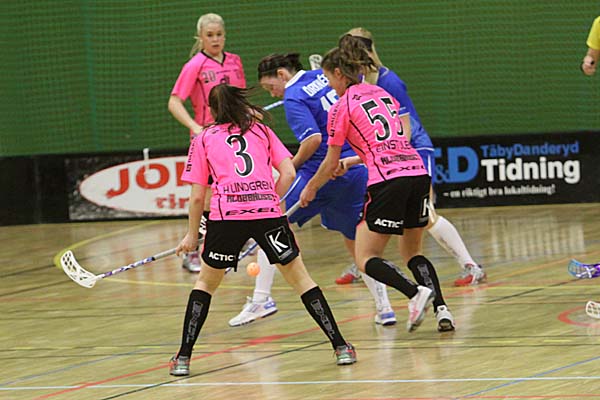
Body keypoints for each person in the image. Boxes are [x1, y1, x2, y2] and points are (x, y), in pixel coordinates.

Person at [168, 84, 356, 376]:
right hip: (267, 214)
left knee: (205, 284)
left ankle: (183, 358)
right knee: (301, 280)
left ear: (212, 110)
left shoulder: (203, 138)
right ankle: (341, 346)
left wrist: (193, 235)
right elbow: (288, 172)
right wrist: (270, 200)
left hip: (226, 217)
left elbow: (197, 197)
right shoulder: (261, 131)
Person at [227, 53, 398, 328]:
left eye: (270, 87)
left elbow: (313, 139)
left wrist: (290, 167)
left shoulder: (293, 96)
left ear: (282, 74)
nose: (273, 93)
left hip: (319, 171)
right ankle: (385, 307)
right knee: (356, 241)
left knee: (269, 224)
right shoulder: (321, 76)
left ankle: (261, 300)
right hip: (353, 170)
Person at [299, 40, 452, 333]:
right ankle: (442, 311)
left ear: (339, 74)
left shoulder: (341, 107)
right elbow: (391, 141)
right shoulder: (382, 94)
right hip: (416, 173)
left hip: (388, 180)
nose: (328, 84)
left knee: (366, 257)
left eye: (328, 77)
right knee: (413, 253)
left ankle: (415, 293)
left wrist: (311, 188)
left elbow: (330, 162)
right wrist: (354, 161)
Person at [333, 28, 485, 289]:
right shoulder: (361, 84)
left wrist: (363, 159)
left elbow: (404, 131)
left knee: (427, 216)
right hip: (392, 159)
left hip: (414, 150)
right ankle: (366, 261)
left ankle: (471, 266)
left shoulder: (388, 81)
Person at [168, 13, 246, 272]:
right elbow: (174, 102)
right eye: (209, 35)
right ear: (200, 37)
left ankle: (227, 247)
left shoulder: (234, 61)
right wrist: (195, 127)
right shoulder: (195, 65)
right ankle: (193, 252)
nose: (215, 40)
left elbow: (239, 99)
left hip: (234, 137)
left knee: (233, 192)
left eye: (219, 35)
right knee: (205, 198)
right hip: (208, 139)